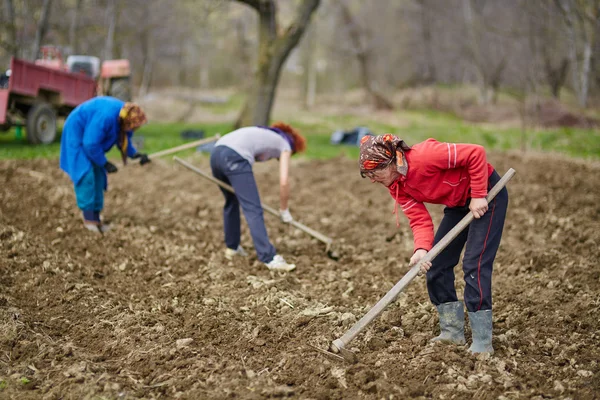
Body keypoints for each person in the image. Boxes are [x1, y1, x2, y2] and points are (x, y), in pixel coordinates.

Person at [359, 134, 508, 354]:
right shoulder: (396, 185)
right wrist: (421, 249)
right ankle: (452, 331)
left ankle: (483, 342)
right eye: (368, 175)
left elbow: (475, 153)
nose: (373, 179)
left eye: (375, 172)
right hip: (458, 203)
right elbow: (419, 219)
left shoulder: (424, 157)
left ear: (391, 162)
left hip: (486, 195)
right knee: (436, 264)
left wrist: (478, 195)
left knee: (474, 264)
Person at [210, 122, 306, 272]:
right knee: (253, 208)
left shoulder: (265, 133)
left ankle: (232, 248)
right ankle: (269, 258)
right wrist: (284, 209)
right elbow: (284, 182)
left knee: (231, 201)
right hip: (235, 158)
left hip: (216, 154)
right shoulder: (286, 144)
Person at [60, 96, 150, 233]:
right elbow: (90, 144)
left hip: (90, 139)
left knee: (99, 176)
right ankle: (89, 221)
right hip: (77, 133)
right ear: (127, 122)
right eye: (134, 127)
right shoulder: (107, 117)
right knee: (86, 175)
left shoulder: (123, 116)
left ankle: (96, 220)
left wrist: (135, 155)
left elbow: (123, 138)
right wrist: (105, 162)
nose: (134, 130)